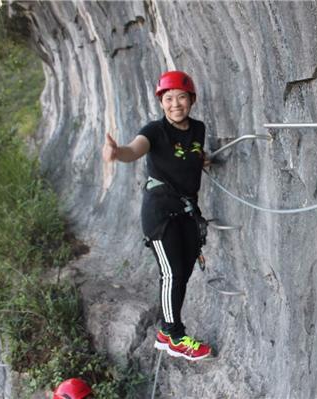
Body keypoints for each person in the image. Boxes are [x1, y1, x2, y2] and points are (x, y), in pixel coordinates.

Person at [101, 70, 212, 361]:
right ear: (161, 102)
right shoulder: (154, 130)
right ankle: (173, 336)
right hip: (160, 213)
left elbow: (191, 154)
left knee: (183, 273)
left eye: (182, 97)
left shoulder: (198, 128)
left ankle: (167, 330)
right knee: (171, 272)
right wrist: (117, 153)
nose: (176, 104)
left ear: (192, 100)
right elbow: (134, 150)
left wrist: (203, 159)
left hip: (187, 211)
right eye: (169, 98)